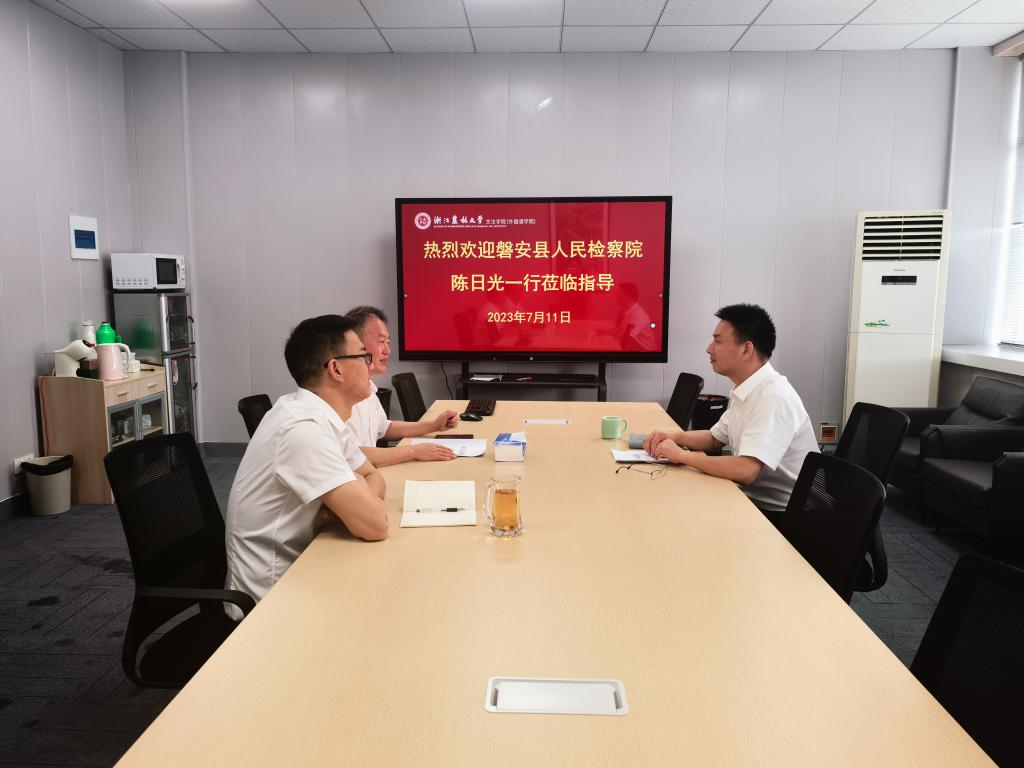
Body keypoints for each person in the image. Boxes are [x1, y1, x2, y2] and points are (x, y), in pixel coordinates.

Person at [224, 314, 390, 614]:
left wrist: (350, 503)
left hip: (309, 564)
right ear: (336, 369)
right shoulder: (302, 429)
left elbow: (372, 474)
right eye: (363, 356)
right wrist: (357, 502)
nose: (370, 364)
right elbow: (376, 525)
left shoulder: (323, 415)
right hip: (271, 602)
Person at [643, 304, 818, 514]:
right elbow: (714, 438)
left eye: (718, 341)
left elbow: (746, 470)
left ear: (746, 349)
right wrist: (674, 436)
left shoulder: (774, 396)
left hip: (786, 516)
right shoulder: (747, 387)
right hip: (752, 499)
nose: (709, 348)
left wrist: (682, 456)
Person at [344, 306, 461, 466]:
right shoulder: (342, 394)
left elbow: (385, 428)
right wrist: (413, 452)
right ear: (354, 343)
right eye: (381, 342)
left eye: (388, 342)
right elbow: (350, 454)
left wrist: (433, 425)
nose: (387, 350)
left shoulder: (368, 386)